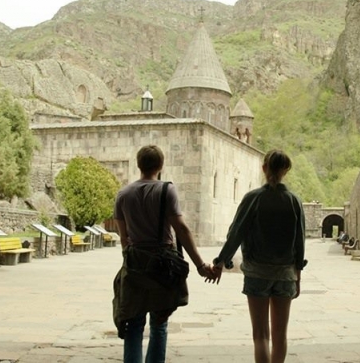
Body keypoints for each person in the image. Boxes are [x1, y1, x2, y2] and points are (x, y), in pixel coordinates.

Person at [112, 145, 217, 363]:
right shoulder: (166, 190)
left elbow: (124, 238)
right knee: (159, 323)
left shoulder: (123, 195)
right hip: (162, 264)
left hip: (135, 262)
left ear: (138, 165)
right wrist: (200, 265)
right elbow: (181, 229)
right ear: (160, 166)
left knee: (134, 323)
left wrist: (130, 260)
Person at [211, 149, 306, 363]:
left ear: (264, 168)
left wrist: (220, 262)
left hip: (256, 273)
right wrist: (297, 276)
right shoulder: (294, 201)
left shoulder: (253, 198)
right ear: (286, 170)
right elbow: (300, 242)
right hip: (285, 275)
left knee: (261, 335)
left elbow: (236, 233)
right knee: (280, 336)